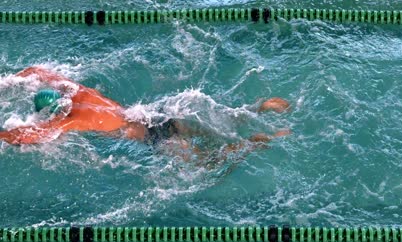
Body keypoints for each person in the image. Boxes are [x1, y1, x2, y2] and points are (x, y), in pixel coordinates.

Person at [0, 67, 290, 150]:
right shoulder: (79, 93)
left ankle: (255, 144)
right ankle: (261, 108)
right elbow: (39, 71)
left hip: (152, 138)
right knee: (223, 119)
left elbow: (27, 136)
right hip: (159, 114)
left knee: (208, 164)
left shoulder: (68, 121)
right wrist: (14, 79)